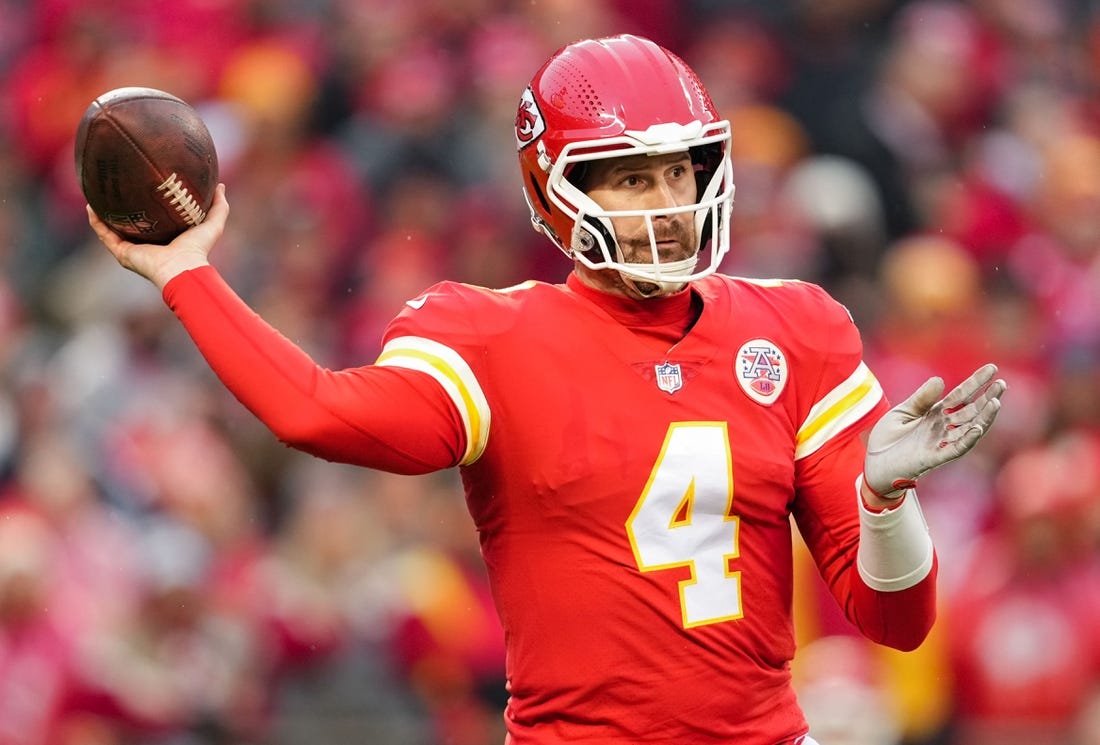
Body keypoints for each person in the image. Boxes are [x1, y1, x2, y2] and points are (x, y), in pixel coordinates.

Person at [87, 34, 1006, 745]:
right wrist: (187, 275)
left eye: (681, 170)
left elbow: (896, 622)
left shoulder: (796, 328)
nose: (669, 202)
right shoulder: (494, 337)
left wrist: (885, 501)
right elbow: (314, 410)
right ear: (557, 194)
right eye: (635, 178)